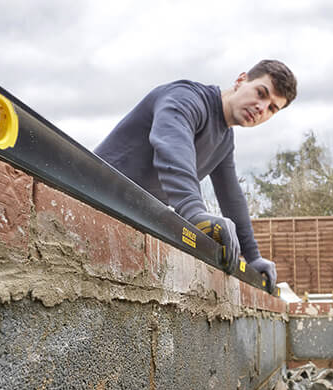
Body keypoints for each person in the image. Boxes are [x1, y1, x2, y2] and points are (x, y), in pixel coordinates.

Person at [94, 59, 297, 291]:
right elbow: (173, 146)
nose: (262, 108)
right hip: (90, 194)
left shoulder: (224, 140)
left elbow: (231, 197)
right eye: (261, 93)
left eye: (272, 108)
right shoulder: (186, 98)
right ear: (241, 80)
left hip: (129, 216)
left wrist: (252, 256)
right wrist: (194, 213)